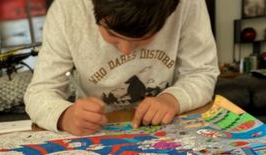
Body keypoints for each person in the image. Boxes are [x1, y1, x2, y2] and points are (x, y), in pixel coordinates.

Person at [24, 0, 219, 136]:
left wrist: (172, 99)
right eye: (111, 35)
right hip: (95, 132)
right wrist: (65, 116)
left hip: (168, 128)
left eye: (142, 39)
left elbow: (202, 72)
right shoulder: (67, 9)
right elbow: (40, 91)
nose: (126, 51)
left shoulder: (187, 4)